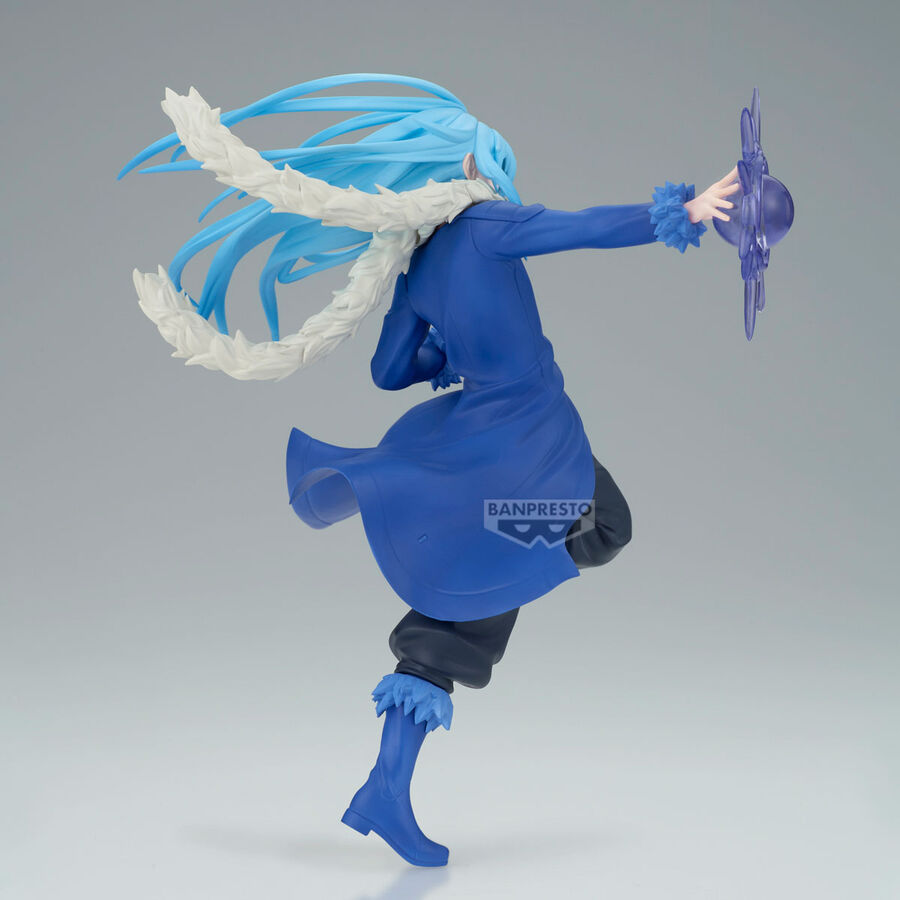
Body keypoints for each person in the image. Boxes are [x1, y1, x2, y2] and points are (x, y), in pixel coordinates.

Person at [120, 74, 738, 867]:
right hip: (529, 435)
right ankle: (501, 562)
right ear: (471, 167)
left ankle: (388, 782)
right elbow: (578, 227)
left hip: (478, 441)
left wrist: (443, 353)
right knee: (602, 527)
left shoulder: (416, 267)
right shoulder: (488, 222)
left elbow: (387, 370)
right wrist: (685, 212)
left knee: (474, 596)